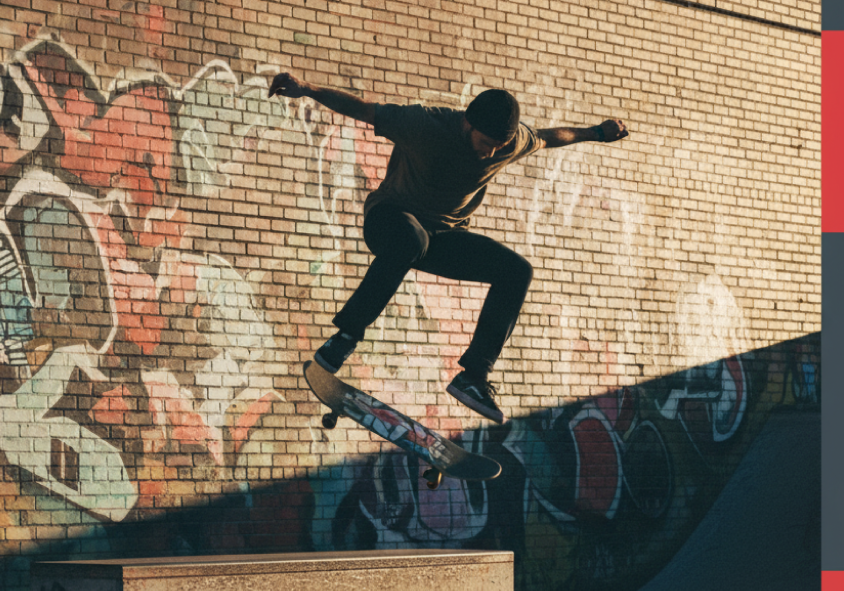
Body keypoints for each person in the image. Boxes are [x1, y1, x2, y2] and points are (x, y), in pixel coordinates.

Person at [268, 72, 629, 424]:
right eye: (486, 143)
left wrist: (596, 133)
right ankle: (346, 336)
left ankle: (473, 377)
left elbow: (549, 137)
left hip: (441, 236)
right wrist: (308, 89)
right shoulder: (425, 124)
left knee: (517, 270)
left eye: (500, 146)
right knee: (413, 239)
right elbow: (365, 110)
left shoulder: (511, 142)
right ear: (468, 125)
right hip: (390, 219)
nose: (492, 153)